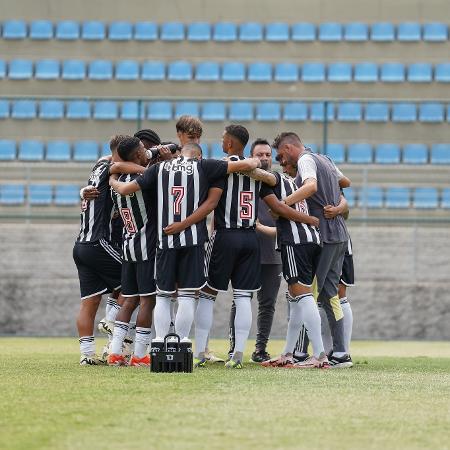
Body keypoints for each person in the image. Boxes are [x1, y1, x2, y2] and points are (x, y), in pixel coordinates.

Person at [109, 142, 265, 346]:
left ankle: (158, 341)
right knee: (186, 296)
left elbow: (126, 188)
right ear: (199, 156)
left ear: (181, 153)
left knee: (164, 296)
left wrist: (112, 179)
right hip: (193, 241)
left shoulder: (159, 168)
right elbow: (246, 166)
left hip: (165, 240)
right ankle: (182, 341)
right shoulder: (204, 166)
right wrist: (254, 160)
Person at [273, 132, 353, 368]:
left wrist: (283, 203)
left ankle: (305, 353)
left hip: (323, 235)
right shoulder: (326, 160)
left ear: (288, 148)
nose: (281, 161)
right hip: (340, 234)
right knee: (330, 295)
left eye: (280, 155)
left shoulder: (306, 160)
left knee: (309, 294)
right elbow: (345, 182)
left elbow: (311, 186)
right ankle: (340, 353)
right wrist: (337, 205)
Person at [226, 138, 282, 363]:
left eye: (268, 154)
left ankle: (260, 349)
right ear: (251, 156)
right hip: (246, 252)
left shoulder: (279, 182)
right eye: (260, 155)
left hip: (272, 254)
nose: (264, 158)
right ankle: (235, 347)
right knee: (240, 299)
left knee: (267, 303)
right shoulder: (241, 179)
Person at [107, 137, 158, 366]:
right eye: (142, 149)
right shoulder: (145, 178)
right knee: (148, 301)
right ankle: (139, 355)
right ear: (137, 155)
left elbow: (115, 171)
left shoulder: (115, 181)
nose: (146, 151)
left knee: (128, 301)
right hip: (147, 247)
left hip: (128, 247)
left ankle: (115, 352)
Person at [73, 140, 124, 365]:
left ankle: (86, 355)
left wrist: (82, 191)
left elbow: (107, 160)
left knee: (89, 302)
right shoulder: (110, 167)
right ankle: (111, 320)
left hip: (81, 245)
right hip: (97, 243)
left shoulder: (97, 167)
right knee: (136, 281)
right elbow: (118, 166)